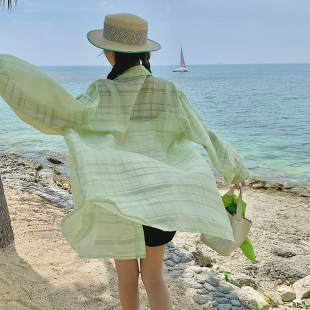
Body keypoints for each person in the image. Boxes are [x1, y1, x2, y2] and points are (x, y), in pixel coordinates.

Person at [0, 13, 248, 310]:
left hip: (119, 199)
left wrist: (9, 75)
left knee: (127, 278)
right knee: (154, 278)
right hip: (162, 199)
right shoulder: (168, 91)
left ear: (109, 52)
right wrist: (235, 168)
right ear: (145, 52)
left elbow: (65, 113)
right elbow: (203, 133)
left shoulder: (100, 91)